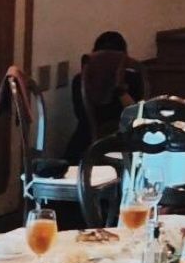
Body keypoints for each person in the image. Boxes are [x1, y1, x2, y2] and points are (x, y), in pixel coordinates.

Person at [62, 29, 146, 163]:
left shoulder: (80, 80)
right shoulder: (133, 78)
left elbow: (80, 115)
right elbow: (138, 114)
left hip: (84, 145)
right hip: (123, 143)